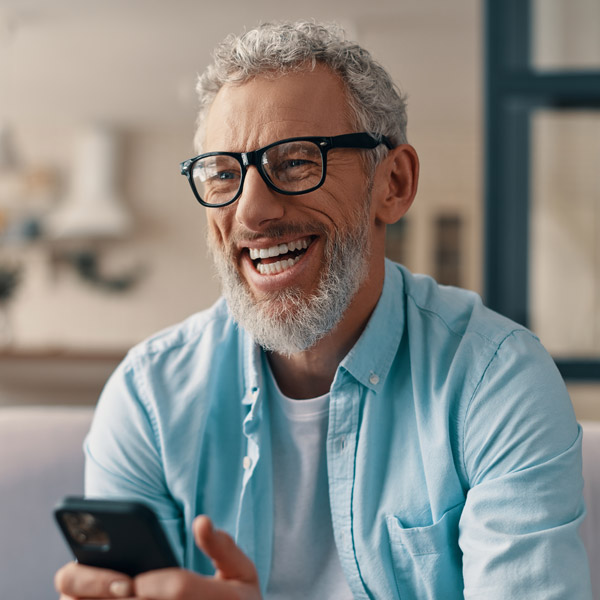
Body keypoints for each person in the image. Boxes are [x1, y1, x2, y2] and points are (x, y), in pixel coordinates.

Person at [55, 20, 592, 600]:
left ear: (394, 182)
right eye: (224, 174)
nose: (252, 212)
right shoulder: (147, 399)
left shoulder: (496, 381)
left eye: (294, 163)